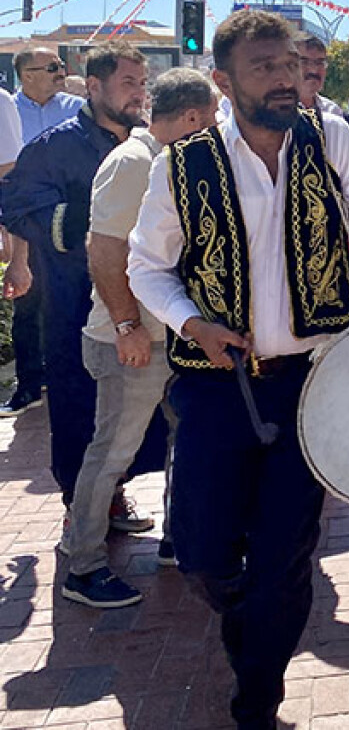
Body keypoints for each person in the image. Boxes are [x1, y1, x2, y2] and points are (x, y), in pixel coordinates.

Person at [127, 10, 349, 729]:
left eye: (290, 65)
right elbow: (146, 266)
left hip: (310, 383)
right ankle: (247, 626)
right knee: (200, 553)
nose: (287, 79)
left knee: (288, 552)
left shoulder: (332, 138)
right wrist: (192, 322)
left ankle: (258, 699)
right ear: (224, 80)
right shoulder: (183, 163)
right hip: (215, 385)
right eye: (266, 67)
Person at [61, 68, 219, 608]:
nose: (217, 128)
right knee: (112, 453)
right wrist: (128, 325)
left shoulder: (168, 159)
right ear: (193, 117)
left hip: (166, 335)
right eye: (213, 118)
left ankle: (177, 540)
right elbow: (105, 251)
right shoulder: (133, 162)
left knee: (185, 441)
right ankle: (81, 566)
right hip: (130, 340)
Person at [0, 42, 158, 522]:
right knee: (79, 405)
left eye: (142, 84)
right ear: (94, 86)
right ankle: (83, 512)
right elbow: (17, 207)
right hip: (73, 301)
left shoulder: (149, 142)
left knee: (131, 410)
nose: (138, 94)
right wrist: (88, 226)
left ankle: (115, 492)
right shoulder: (55, 146)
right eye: (128, 83)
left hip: (138, 302)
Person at [2, 46, 84, 418]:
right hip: (27, 225)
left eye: (60, 65)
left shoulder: (76, 110)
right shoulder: (9, 112)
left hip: (68, 224)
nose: (60, 72)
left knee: (72, 302)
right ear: (27, 74)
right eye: (52, 67)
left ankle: (69, 377)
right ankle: (29, 385)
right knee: (27, 304)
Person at [295, 33, 345, 119]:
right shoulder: (275, 110)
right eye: (304, 62)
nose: (313, 70)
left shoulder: (332, 111)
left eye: (319, 63)